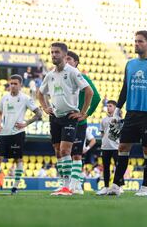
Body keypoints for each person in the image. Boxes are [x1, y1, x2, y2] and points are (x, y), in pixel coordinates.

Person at [107, 30, 147, 197]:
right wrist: (118, 109)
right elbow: (125, 88)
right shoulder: (130, 64)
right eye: (135, 41)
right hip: (131, 113)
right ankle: (116, 185)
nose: (136, 44)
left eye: (140, 41)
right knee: (122, 147)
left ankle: (145, 188)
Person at [38, 42, 93, 196]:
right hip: (55, 116)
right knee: (58, 151)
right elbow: (40, 93)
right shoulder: (50, 75)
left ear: (64, 54)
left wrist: (83, 113)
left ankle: (68, 186)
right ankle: (64, 184)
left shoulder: (73, 72)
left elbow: (89, 92)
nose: (53, 55)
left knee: (65, 150)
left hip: (70, 116)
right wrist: (45, 107)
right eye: (52, 52)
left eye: (56, 52)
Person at [0, 74, 42, 194]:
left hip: (18, 133)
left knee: (18, 159)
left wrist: (26, 123)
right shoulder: (4, 98)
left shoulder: (25, 98)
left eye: (16, 84)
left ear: (21, 85)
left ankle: (15, 187)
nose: (13, 86)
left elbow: (39, 113)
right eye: (11, 83)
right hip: (4, 134)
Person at [65, 50, 100, 195]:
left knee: (76, 155)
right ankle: (66, 185)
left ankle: (76, 185)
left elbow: (96, 97)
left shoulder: (82, 77)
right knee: (63, 153)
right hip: (64, 121)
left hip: (78, 123)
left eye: (69, 60)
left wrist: (85, 114)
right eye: (65, 60)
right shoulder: (61, 78)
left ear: (76, 62)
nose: (66, 62)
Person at [96, 100, 124, 195]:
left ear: (115, 108)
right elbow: (102, 133)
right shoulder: (103, 120)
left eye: (110, 106)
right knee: (106, 167)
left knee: (119, 167)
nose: (108, 107)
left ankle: (119, 186)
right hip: (105, 148)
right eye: (107, 106)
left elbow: (121, 134)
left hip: (116, 147)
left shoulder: (120, 119)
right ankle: (106, 187)